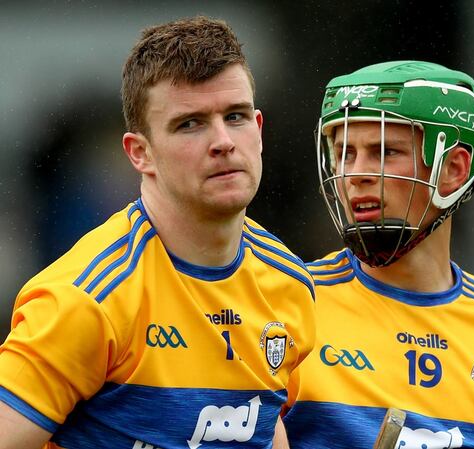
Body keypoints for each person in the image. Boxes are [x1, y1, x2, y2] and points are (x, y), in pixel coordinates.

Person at [0, 16, 315, 449]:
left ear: (258, 132)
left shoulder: (290, 283)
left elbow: (266, 424)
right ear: (140, 153)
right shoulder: (89, 299)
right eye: (191, 123)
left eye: (236, 116)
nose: (223, 141)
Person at [281, 60, 474, 449]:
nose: (355, 174)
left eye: (385, 151)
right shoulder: (290, 303)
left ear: (454, 169)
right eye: (344, 153)